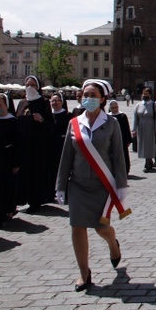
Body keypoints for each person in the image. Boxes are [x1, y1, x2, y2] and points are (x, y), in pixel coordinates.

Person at [56, 79, 128, 292]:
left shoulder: (111, 123)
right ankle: (84, 273)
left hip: (102, 184)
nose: (88, 98)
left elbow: (119, 157)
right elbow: (66, 156)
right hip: (78, 183)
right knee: (77, 227)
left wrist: (121, 185)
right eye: (85, 94)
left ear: (103, 98)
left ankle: (113, 245)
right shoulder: (74, 123)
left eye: (93, 95)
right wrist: (61, 185)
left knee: (101, 227)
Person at [15, 75, 54, 212]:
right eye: (28, 85)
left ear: (38, 87)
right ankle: (22, 199)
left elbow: (51, 124)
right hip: (24, 144)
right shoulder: (22, 103)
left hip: (38, 145)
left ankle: (35, 201)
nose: (30, 88)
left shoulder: (43, 102)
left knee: (35, 173)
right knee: (23, 173)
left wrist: (41, 119)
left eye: (33, 85)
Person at [0, 93, 22, 229]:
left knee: (2, 189)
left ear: (7, 106)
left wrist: (16, 163)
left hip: (6, 160)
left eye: (0, 105)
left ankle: (0, 216)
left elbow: (18, 143)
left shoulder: (13, 122)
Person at [131, 87, 156, 173]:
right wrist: (134, 129)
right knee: (142, 145)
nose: (145, 95)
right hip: (141, 127)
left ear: (150, 95)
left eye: (147, 94)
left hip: (150, 127)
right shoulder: (138, 105)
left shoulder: (154, 105)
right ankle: (148, 160)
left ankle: (148, 162)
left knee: (149, 145)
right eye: (144, 94)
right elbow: (135, 117)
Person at [50, 92, 73, 197]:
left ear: (62, 102)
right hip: (51, 146)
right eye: (52, 101)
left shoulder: (68, 115)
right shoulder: (49, 115)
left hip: (62, 145)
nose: (54, 103)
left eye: (57, 101)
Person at [107, 101, 132, 174]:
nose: (114, 109)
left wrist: (128, 140)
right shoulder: (108, 116)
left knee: (123, 155)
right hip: (111, 140)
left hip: (122, 139)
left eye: (116, 107)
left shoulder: (122, 116)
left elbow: (126, 129)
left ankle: (125, 170)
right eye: (112, 108)